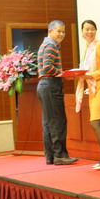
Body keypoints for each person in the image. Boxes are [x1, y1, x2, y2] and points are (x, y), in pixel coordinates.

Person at [36, 20, 76, 165]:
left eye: (63, 32)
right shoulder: (51, 45)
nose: (61, 34)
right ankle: (60, 155)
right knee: (58, 121)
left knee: (48, 122)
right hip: (51, 85)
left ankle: (51, 156)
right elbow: (48, 67)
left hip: (44, 85)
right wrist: (63, 74)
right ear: (50, 31)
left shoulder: (45, 44)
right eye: (58, 31)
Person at [76, 20, 100, 169]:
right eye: (87, 29)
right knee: (98, 122)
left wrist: (91, 75)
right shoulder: (87, 48)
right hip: (93, 88)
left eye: (92, 29)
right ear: (82, 32)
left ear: (96, 30)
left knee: (95, 122)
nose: (90, 32)